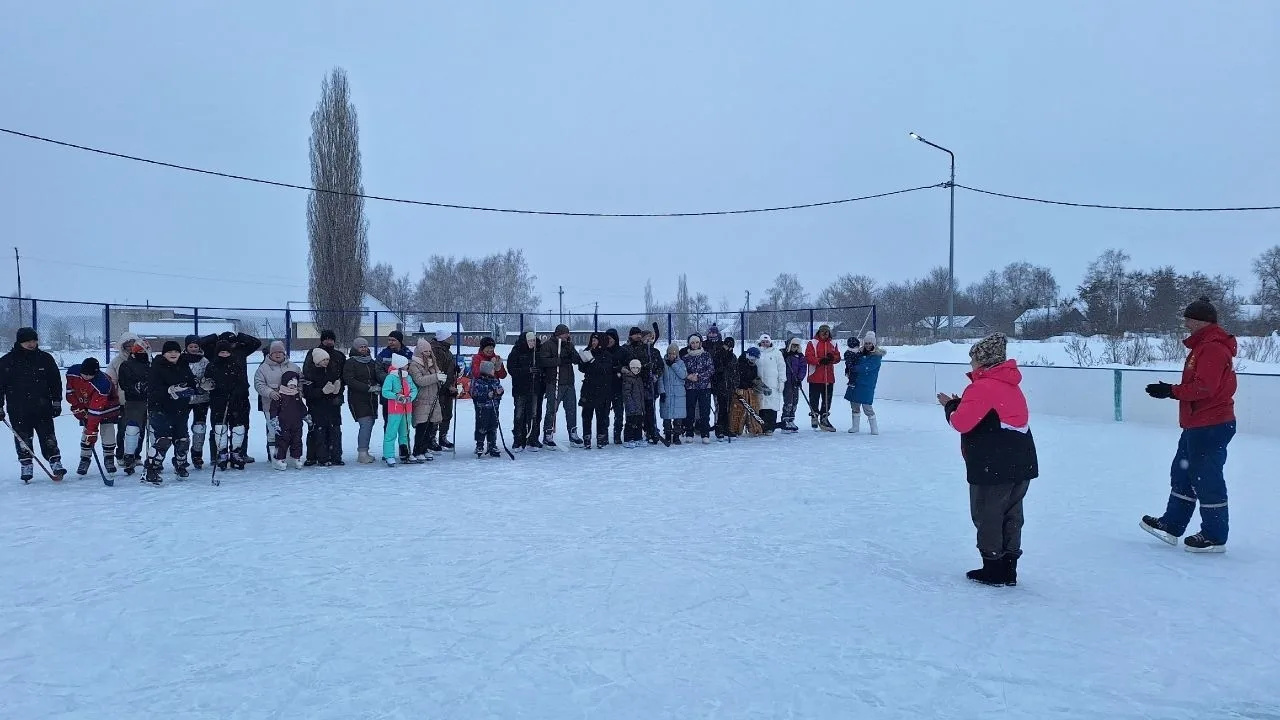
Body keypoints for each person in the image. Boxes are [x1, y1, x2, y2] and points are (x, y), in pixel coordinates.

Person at [938, 333, 1038, 587]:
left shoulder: (981, 387)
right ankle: (1009, 567)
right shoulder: (1010, 384)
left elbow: (961, 422)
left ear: (983, 361)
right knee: (1011, 514)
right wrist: (962, 403)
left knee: (988, 514)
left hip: (993, 464)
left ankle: (993, 567)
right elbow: (992, 413)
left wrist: (950, 407)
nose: (970, 363)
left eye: (972, 358)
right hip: (1021, 461)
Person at [1140, 297, 1238, 553]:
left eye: (1189, 318)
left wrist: (1171, 391)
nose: (1185, 323)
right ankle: (1172, 524)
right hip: (1198, 423)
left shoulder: (1213, 348)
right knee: (1182, 473)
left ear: (1201, 321)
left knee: (1206, 477)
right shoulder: (1203, 346)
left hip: (1212, 424)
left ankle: (1215, 536)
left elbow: (1205, 387)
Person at [0, 328, 67, 481]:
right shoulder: (7, 361)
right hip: (18, 409)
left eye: (33, 340)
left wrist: (56, 401)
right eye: (27, 341)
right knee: (23, 438)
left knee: (48, 437)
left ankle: (55, 462)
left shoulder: (45, 359)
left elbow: (55, 382)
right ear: (19, 342)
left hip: (43, 407)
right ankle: (26, 464)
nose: (31, 344)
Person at [197, 330, 262, 462]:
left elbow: (256, 343)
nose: (229, 347)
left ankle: (240, 453)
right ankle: (218, 454)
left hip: (240, 394)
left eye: (232, 343)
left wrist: (240, 336)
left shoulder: (240, 350)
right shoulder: (213, 352)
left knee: (241, 425)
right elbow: (199, 343)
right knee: (219, 426)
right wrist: (214, 337)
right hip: (219, 397)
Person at [144, 341, 199, 484]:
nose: (173, 354)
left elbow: (191, 384)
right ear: (164, 353)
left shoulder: (183, 365)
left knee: (182, 440)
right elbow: (152, 390)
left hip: (180, 408)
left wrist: (198, 387)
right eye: (169, 352)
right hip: (160, 409)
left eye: (176, 351)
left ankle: (180, 465)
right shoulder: (157, 367)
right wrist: (169, 390)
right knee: (164, 440)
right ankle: (150, 469)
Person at [65, 357, 121, 476]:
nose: (85, 377)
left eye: (89, 375)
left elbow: (96, 411)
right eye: (83, 374)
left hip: (107, 408)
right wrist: (76, 407)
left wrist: (92, 430)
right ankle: (84, 459)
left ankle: (109, 458)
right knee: (87, 433)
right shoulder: (72, 372)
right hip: (86, 405)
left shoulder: (102, 384)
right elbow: (70, 392)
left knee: (106, 431)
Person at [205, 337, 253, 470]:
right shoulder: (212, 365)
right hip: (218, 402)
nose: (224, 355)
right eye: (222, 353)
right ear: (217, 353)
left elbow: (243, 383)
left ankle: (236, 453)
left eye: (227, 352)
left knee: (238, 427)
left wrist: (236, 393)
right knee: (220, 428)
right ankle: (222, 453)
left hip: (236, 401)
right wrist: (215, 390)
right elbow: (209, 383)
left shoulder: (236, 364)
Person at [302, 330, 347, 466]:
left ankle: (335, 456)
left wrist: (339, 391)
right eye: (326, 339)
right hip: (316, 401)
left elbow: (342, 377)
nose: (329, 341)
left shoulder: (339, 356)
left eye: (331, 339)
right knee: (317, 429)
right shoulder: (313, 354)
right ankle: (314, 456)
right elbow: (308, 377)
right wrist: (321, 391)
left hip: (333, 399)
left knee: (334, 428)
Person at [254, 341, 301, 463]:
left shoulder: (293, 367)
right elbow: (259, 384)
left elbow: (301, 382)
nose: (278, 354)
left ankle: (289, 456)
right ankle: (274, 456)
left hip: (291, 407)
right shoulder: (263, 368)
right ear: (270, 354)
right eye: (275, 352)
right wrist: (270, 392)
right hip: (270, 406)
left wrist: (299, 392)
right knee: (273, 431)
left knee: (290, 431)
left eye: (280, 352)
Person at [342, 337, 386, 464]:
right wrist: (368, 388)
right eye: (361, 347)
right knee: (365, 423)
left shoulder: (371, 362)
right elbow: (349, 380)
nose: (364, 349)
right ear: (355, 348)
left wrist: (378, 386)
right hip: (358, 399)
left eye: (365, 346)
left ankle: (365, 451)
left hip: (371, 399)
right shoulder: (351, 362)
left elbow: (376, 376)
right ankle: (362, 452)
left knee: (370, 423)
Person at [538, 324, 582, 448]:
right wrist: (558, 360)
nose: (567, 336)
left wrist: (571, 353)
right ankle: (548, 434)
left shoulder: (569, 345)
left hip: (568, 382)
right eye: (564, 333)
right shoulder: (548, 345)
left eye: (568, 333)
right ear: (558, 334)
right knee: (552, 409)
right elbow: (543, 361)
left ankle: (573, 433)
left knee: (571, 409)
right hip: (554, 382)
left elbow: (575, 359)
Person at [117, 340, 153, 475]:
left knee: (152, 429)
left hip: (152, 401)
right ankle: (129, 456)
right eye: (140, 352)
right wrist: (135, 388)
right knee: (132, 429)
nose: (142, 354)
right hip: (134, 401)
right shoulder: (127, 365)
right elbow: (124, 382)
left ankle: (153, 457)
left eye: (145, 352)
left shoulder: (152, 365)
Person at [377, 330, 413, 461]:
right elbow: (378, 371)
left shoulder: (408, 354)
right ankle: (388, 452)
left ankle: (404, 451)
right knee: (390, 425)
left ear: (400, 341)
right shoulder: (383, 354)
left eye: (393, 340)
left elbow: (411, 371)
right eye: (389, 340)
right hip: (390, 398)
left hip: (406, 397)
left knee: (405, 427)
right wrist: (392, 380)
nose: (390, 342)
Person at [408, 338, 446, 462]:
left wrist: (441, 379)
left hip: (433, 399)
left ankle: (424, 449)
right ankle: (417, 450)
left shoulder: (432, 363)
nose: (428, 354)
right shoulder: (414, 365)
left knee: (430, 426)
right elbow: (420, 380)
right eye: (425, 351)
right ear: (419, 352)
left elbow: (434, 379)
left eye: (429, 351)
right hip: (422, 400)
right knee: (421, 427)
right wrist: (435, 377)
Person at [506, 331, 544, 451]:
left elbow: (543, 367)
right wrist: (527, 370)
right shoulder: (516, 351)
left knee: (533, 415)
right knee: (519, 415)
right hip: (520, 389)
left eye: (533, 340)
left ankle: (532, 440)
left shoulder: (537, 351)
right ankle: (518, 440)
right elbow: (512, 369)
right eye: (529, 341)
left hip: (535, 389)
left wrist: (540, 373)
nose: (532, 343)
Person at [844, 331, 886, 435]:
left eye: (869, 343)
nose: (867, 345)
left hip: (867, 384)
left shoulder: (876, 356)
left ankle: (874, 427)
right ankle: (855, 426)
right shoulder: (859, 353)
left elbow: (867, 367)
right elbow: (852, 362)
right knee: (854, 404)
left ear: (873, 344)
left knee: (867, 406)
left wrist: (854, 368)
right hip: (855, 382)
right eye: (866, 343)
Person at [108, 331, 140, 463]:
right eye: (128, 345)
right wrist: (113, 399)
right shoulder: (116, 362)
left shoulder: (144, 360)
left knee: (139, 429)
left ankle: (135, 455)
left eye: (133, 344)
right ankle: (120, 454)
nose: (131, 347)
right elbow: (111, 382)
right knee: (122, 429)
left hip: (139, 401)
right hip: (122, 401)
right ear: (123, 346)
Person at [577, 333, 615, 450]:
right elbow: (582, 368)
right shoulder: (588, 351)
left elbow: (604, 370)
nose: (593, 343)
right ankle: (586, 438)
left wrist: (593, 361)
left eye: (595, 340)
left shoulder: (606, 355)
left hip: (602, 389)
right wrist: (583, 359)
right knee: (587, 415)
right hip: (589, 389)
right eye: (592, 340)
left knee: (601, 415)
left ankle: (601, 438)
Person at [381, 353, 417, 467]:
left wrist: (410, 397)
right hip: (395, 410)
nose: (408, 366)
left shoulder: (408, 377)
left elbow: (414, 389)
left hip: (407, 409)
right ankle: (389, 455)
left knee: (405, 432)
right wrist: (397, 396)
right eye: (406, 365)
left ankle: (405, 453)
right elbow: (385, 391)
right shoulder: (391, 377)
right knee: (391, 432)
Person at [181, 335, 212, 469]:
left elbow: (209, 377)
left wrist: (203, 385)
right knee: (181, 427)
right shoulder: (180, 360)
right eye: (191, 346)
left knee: (200, 427)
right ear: (186, 347)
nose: (193, 349)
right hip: (183, 398)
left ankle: (197, 453)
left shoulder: (204, 361)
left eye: (196, 347)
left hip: (202, 399)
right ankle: (181, 453)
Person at [269, 370, 308, 471]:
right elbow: (273, 409)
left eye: (294, 385)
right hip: (283, 424)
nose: (292, 387)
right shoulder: (280, 396)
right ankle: (279, 459)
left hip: (296, 424)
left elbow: (301, 407)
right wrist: (274, 419)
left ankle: (297, 458)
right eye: (290, 384)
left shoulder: (296, 396)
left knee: (297, 441)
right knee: (281, 442)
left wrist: (306, 415)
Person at [804, 324, 841, 431]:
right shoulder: (812, 343)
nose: (825, 334)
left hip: (828, 376)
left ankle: (824, 417)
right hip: (815, 376)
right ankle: (814, 415)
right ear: (819, 332)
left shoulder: (833, 343)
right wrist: (819, 360)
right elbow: (808, 357)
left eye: (827, 332)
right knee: (814, 398)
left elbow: (837, 357)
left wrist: (832, 358)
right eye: (822, 332)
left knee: (827, 399)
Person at [681, 334, 714, 444]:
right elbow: (683, 371)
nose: (694, 345)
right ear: (689, 344)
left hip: (704, 387)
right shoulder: (685, 358)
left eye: (696, 342)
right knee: (690, 411)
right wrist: (689, 376)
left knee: (704, 411)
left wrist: (699, 376)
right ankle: (689, 433)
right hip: (690, 388)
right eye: (692, 343)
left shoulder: (706, 355)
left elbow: (710, 370)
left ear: (700, 343)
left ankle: (705, 433)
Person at [429, 330, 459, 451]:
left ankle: (443, 437)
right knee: (437, 414)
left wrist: (454, 368)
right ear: (444, 338)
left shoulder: (447, 350)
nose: (452, 339)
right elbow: (439, 370)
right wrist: (447, 386)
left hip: (447, 387)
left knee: (447, 413)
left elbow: (448, 366)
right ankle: (431, 439)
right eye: (449, 337)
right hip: (439, 388)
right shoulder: (437, 350)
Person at [471, 359, 505, 458]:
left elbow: (500, 389)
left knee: (493, 425)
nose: (494, 371)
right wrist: (486, 395)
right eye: (492, 370)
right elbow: (475, 394)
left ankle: (492, 444)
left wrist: (499, 392)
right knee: (482, 426)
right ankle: (479, 444)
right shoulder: (478, 381)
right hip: (483, 408)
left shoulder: (494, 380)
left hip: (493, 407)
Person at [658, 343, 689, 445]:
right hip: (667, 393)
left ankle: (676, 436)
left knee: (678, 418)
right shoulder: (663, 363)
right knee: (667, 417)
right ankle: (667, 435)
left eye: (674, 354)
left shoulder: (680, 363)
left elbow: (683, 375)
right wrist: (662, 392)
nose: (672, 355)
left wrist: (674, 365)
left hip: (679, 395)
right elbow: (660, 379)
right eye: (670, 353)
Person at [754, 334, 786, 434]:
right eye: (763, 342)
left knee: (771, 407)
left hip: (773, 384)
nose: (765, 344)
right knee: (760, 406)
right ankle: (760, 426)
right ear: (760, 342)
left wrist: (782, 381)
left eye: (767, 342)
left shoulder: (776, 353)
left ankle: (770, 427)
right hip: (759, 384)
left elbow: (782, 368)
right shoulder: (756, 352)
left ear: (770, 342)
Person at [602, 329, 626, 446]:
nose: (609, 341)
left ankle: (617, 435)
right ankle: (604, 435)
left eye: (611, 339)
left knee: (619, 412)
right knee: (604, 413)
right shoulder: (602, 351)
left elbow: (627, 364)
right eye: (607, 339)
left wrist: (619, 368)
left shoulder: (622, 351)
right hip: (605, 386)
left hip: (618, 386)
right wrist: (616, 368)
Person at [620, 358, 647, 448]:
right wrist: (630, 404)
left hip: (639, 406)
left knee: (638, 423)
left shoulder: (639, 378)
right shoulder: (628, 378)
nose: (635, 370)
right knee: (630, 423)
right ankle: (628, 439)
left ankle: (637, 437)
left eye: (637, 368)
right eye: (633, 368)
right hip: (631, 406)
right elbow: (626, 393)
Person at [781, 337, 806, 433]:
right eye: (793, 346)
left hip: (796, 381)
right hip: (787, 381)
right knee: (788, 400)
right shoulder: (785, 355)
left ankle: (791, 419)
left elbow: (803, 368)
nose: (795, 348)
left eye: (797, 346)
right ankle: (785, 420)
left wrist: (799, 379)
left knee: (795, 400)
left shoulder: (800, 356)